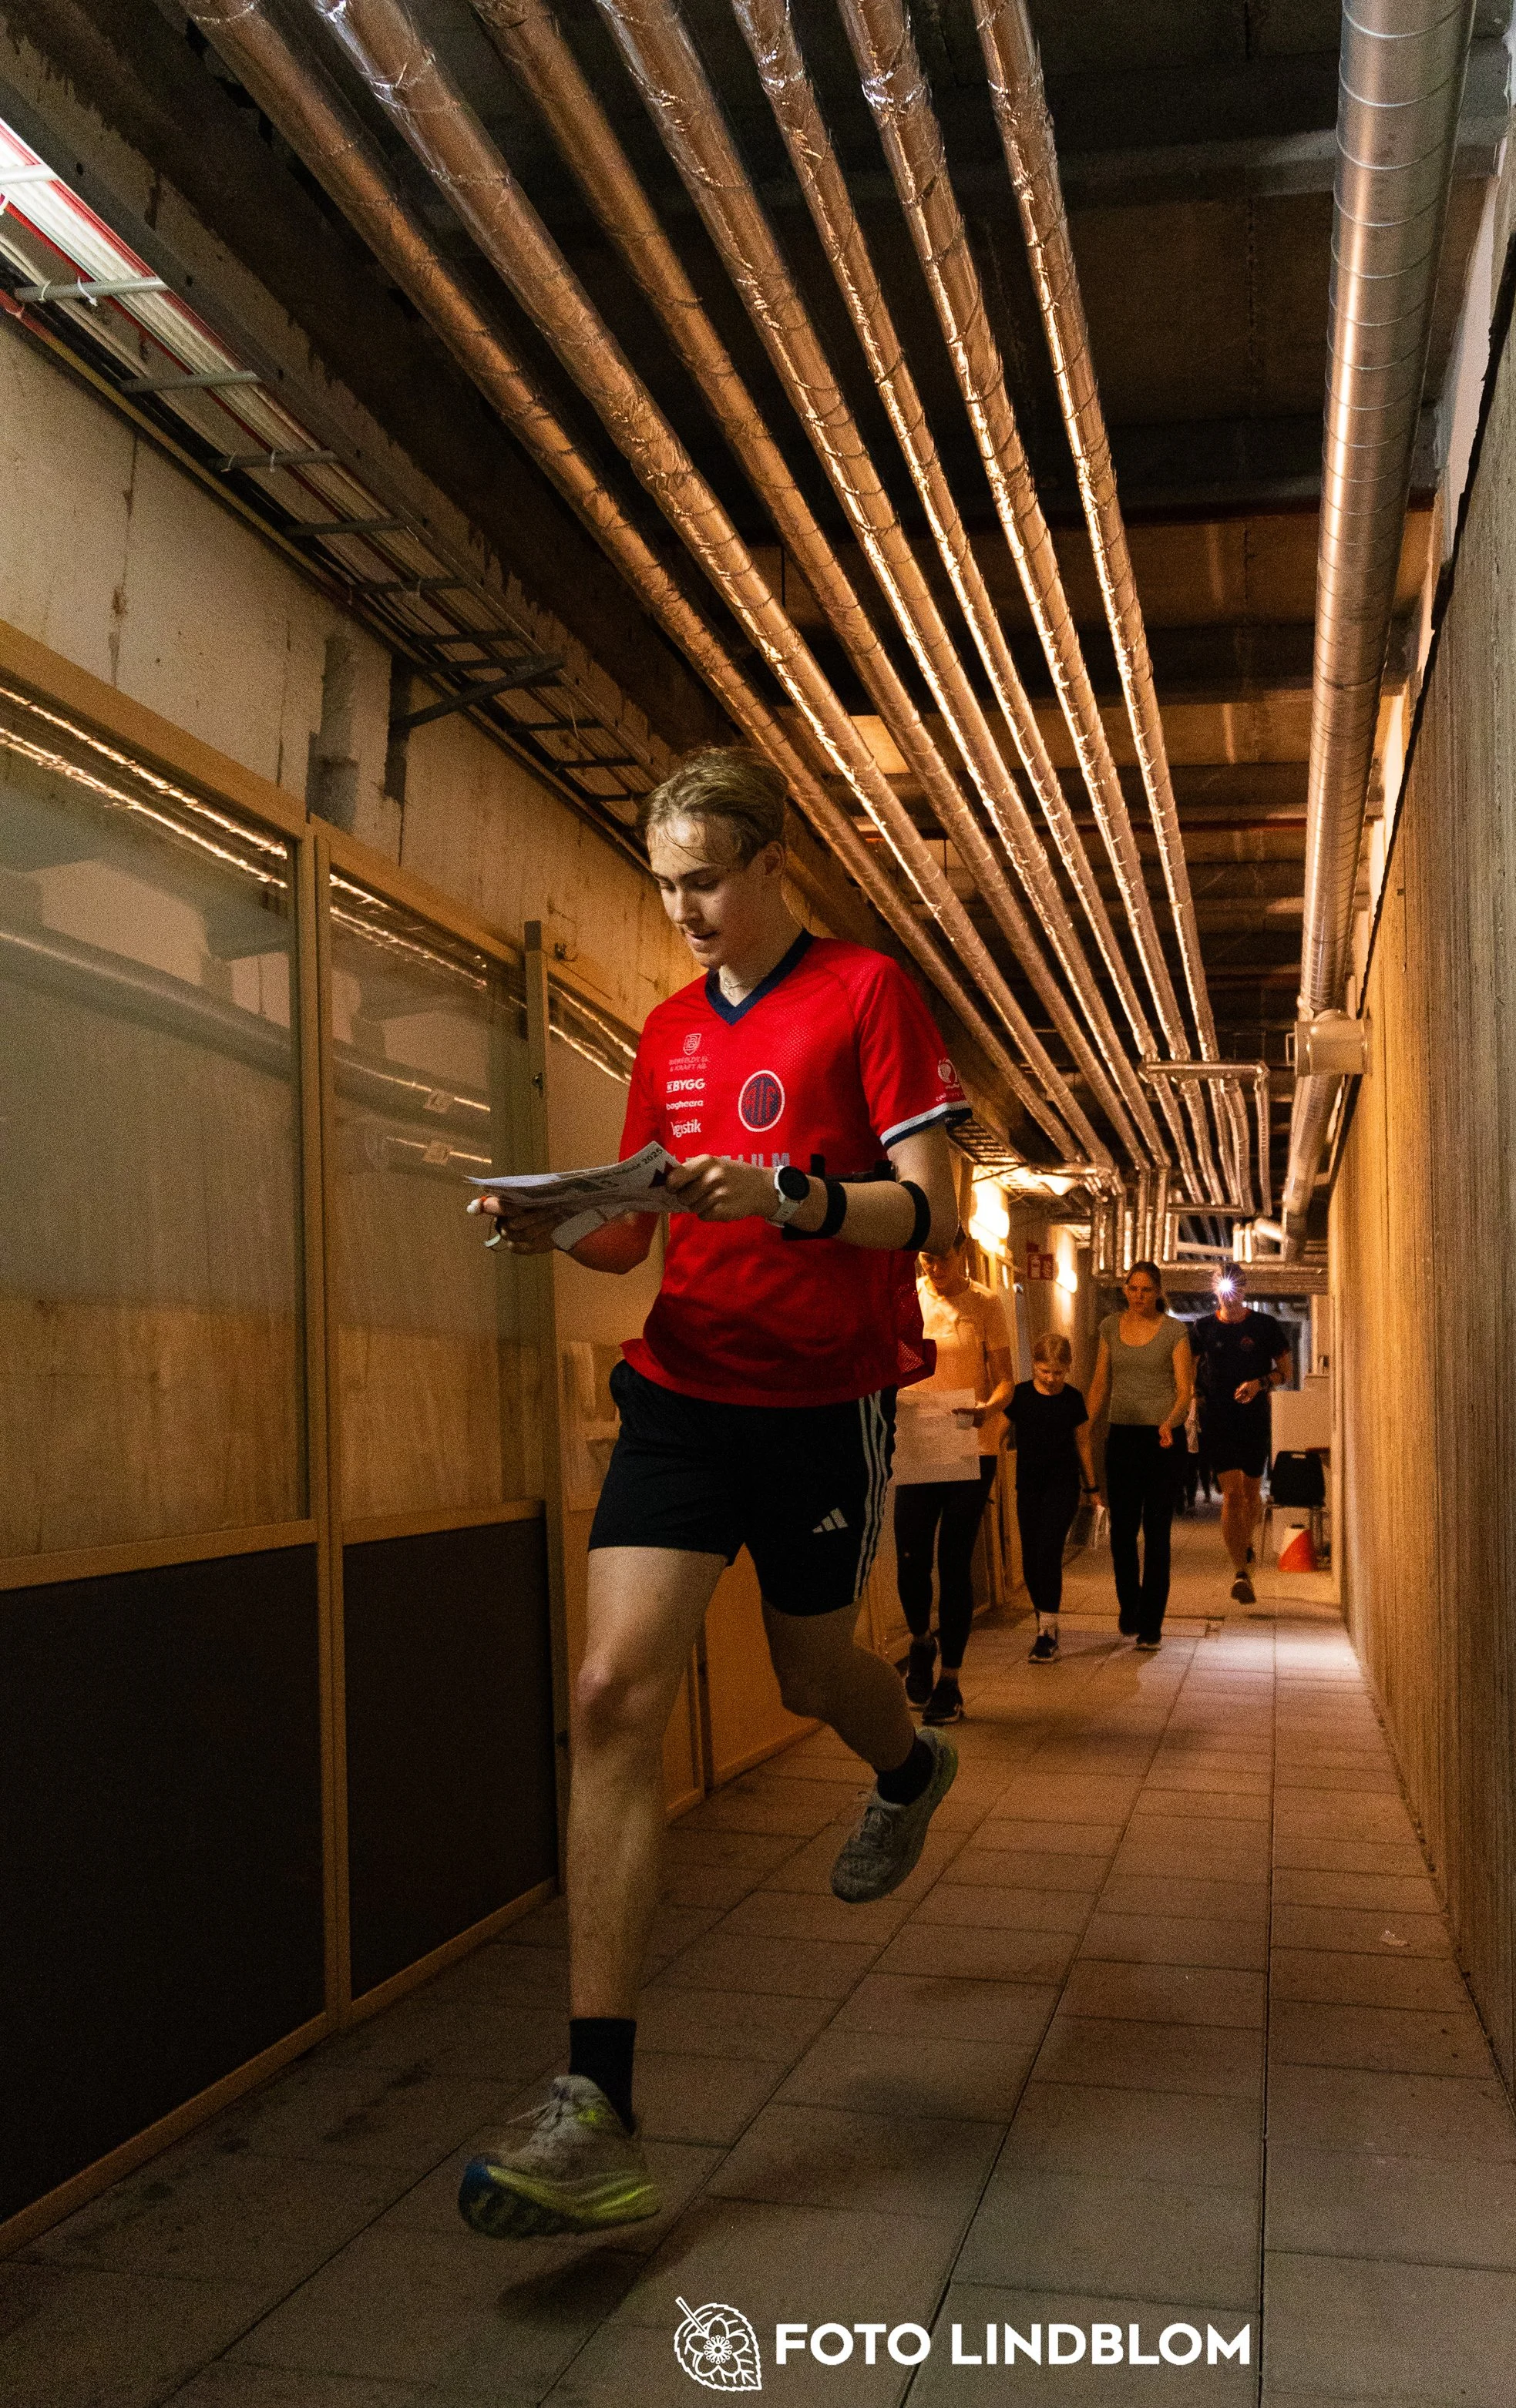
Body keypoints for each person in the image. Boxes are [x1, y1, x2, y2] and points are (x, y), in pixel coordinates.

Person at [460, 747, 968, 2239]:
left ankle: (905, 1764)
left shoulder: (866, 992)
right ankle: (597, 2105)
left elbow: (929, 1209)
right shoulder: (673, 1029)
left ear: (768, 867)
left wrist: (795, 1196)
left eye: (703, 880)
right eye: (665, 884)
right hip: (684, 1390)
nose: (682, 909)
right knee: (612, 1691)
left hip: (824, 1403)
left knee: (811, 1671)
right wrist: (554, 1221)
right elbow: (636, 1231)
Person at [892, 1234, 1013, 1725]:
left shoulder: (986, 1303)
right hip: (920, 1440)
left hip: (970, 1443)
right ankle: (922, 1641)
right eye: (927, 1259)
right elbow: (898, 1363)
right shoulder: (908, 1298)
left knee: (955, 1560)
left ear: (962, 1253)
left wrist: (989, 1408)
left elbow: (1005, 1380)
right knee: (911, 1557)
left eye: (943, 1258)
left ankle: (951, 1681)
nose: (935, 1268)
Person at [1087, 1260, 1193, 1651]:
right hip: (1123, 1438)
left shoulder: (1174, 1331)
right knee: (1123, 1531)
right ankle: (1129, 1606)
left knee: (1157, 1532)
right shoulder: (1110, 1327)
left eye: (1147, 1290)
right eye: (1133, 1288)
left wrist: (1170, 1422)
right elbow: (1100, 1383)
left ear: (1158, 1292)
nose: (1139, 1296)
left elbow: (1184, 1390)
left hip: (1162, 1440)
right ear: (1125, 1289)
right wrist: (1085, 1424)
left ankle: (1152, 1624)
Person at [1190, 1261, 1290, 1604]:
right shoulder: (1202, 1328)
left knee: (1250, 1494)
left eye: (1236, 1288)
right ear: (1215, 1290)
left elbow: (1285, 1372)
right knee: (1232, 1495)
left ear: (1245, 1289)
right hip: (1219, 1420)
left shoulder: (1265, 1326)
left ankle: (1245, 1542)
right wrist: (1190, 1403)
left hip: (1254, 1419)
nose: (1230, 1296)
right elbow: (1187, 1373)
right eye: (1223, 1289)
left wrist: (1260, 1383)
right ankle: (1240, 1572)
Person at [1003, 1332, 1098, 1664]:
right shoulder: (1019, 1396)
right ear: (1034, 1365)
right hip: (1029, 1485)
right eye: (1045, 1371)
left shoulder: (1072, 1399)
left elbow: (1082, 1442)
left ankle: (1047, 1632)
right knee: (1031, 1559)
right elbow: (998, 1433)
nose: (1051, 1378)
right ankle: (1044, 1621)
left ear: (1068, 1367)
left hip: (1063, 1485)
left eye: (1058, 1372)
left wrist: (1092, 1489)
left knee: (1048, 1551)